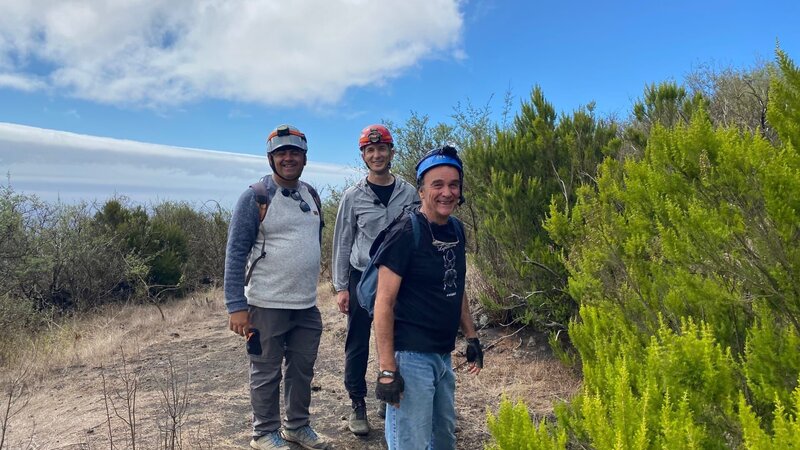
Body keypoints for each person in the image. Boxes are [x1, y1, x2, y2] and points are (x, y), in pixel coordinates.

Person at [224, 124, 330, 450]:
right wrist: (236, 306)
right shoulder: (256, 196)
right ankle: (263, 433)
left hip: (305, 304)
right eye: (281, 153)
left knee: (302, 370)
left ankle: (296, 426)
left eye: (294, 152)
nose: (288, 158)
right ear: (271, 158)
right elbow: (235, 251)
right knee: (266, 372)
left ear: (305, 158)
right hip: (265, 304)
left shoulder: (311, 195)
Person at [372, 145, 484, 449]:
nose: (447, 192)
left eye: (453, 185)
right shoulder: (405, 233)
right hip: (410, 357)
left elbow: (456, 285)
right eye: (437, 185)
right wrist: (386, 369)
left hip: (443, 355)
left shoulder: (457, 230)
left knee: (443, 438)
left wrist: (471, 337)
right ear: (421, 190)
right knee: (411, 441)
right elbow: (383, 303)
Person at [331, 124, 419, 436]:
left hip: (398, 278)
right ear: (364, 156)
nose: (376, 154)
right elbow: (342, 242)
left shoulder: (408, 193)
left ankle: (389, 392)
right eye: (370, 150)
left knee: (398, 338)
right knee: (357, 344)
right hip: (362, 277)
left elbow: (416, 236)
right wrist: (341, 286)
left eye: (382, 149)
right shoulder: (353, 197)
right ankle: (357, 403)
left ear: (391, 152)